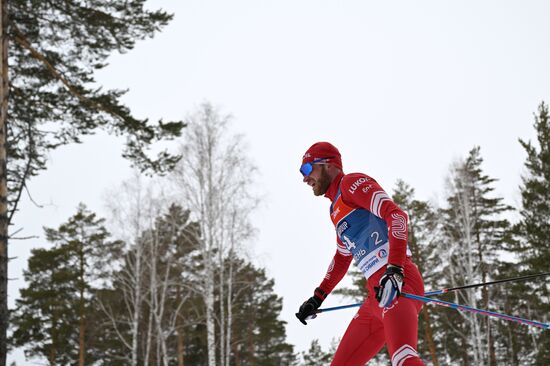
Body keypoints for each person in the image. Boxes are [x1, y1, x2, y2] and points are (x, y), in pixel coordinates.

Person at [295, 142, 425, 366]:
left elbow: (397, 217)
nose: (304, 178)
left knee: (404, 360)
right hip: (376, 295)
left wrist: (394, 270)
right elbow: (342, 257)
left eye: (307, 169)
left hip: (397, 284)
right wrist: (317, 298)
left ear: (327, 165)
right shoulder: (335, 210)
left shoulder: (351, 183)